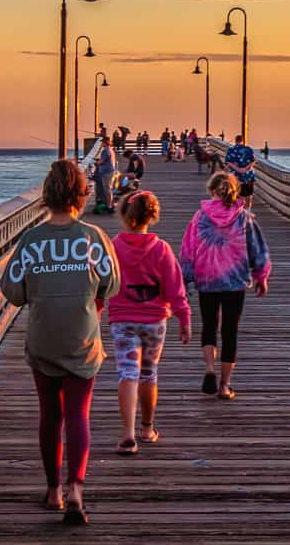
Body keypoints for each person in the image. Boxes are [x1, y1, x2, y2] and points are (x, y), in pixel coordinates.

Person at [1, 160, 120, 525]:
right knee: (78, 413)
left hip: (43, 338)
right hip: (82, 337)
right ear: (81, 196)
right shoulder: (92, 238)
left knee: (50, 414)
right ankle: (76, 491)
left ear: (47, 196)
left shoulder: (31, 240)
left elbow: (13, 291)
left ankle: (52, 490)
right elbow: (111, 283)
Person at [108, 191, 191, 456]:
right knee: (148, 373)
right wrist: (184, 317)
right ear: (153, 216)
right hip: (155, 320)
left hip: (122, 319)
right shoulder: (162, 249)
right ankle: (146, 428)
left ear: (124, 215)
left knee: (127, 373)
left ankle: (127, 435)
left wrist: (97, 309)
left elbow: (103, 283)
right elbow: (175, 287)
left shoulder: (113, 247)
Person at [180, 172, 271, 401]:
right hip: (234, 280)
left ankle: (210, 368)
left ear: (212, 191)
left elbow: (188, 248)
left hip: (207, 279)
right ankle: (225, 385)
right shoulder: (244, 218)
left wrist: (186, 277)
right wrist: (261, 276)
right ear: (235, 191)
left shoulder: (200, 217)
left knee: (209, 325)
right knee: (230, 331)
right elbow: (257, 248)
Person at [225, 134, 257, 208]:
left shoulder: (231, 150)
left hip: (235, 176)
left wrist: (238, 169)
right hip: (248, 175)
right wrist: (245, 169)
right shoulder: (249, 149)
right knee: (249, 194)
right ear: (243, 141)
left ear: (236, 141)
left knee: (237, 194)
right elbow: (253, 161)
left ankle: (239, 211)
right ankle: (248, 211)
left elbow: (228, 162)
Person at [94, 136, 116, 214]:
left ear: (105, 142)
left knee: (107, 189)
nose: (101, 143)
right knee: (108, 189)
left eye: (102, 142)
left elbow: (102, 161)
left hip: (106, 172)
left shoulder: (105, 150)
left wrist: (96, 163)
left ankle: (109, 206)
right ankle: (109, 205)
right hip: (110, 171)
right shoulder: (111, 150)